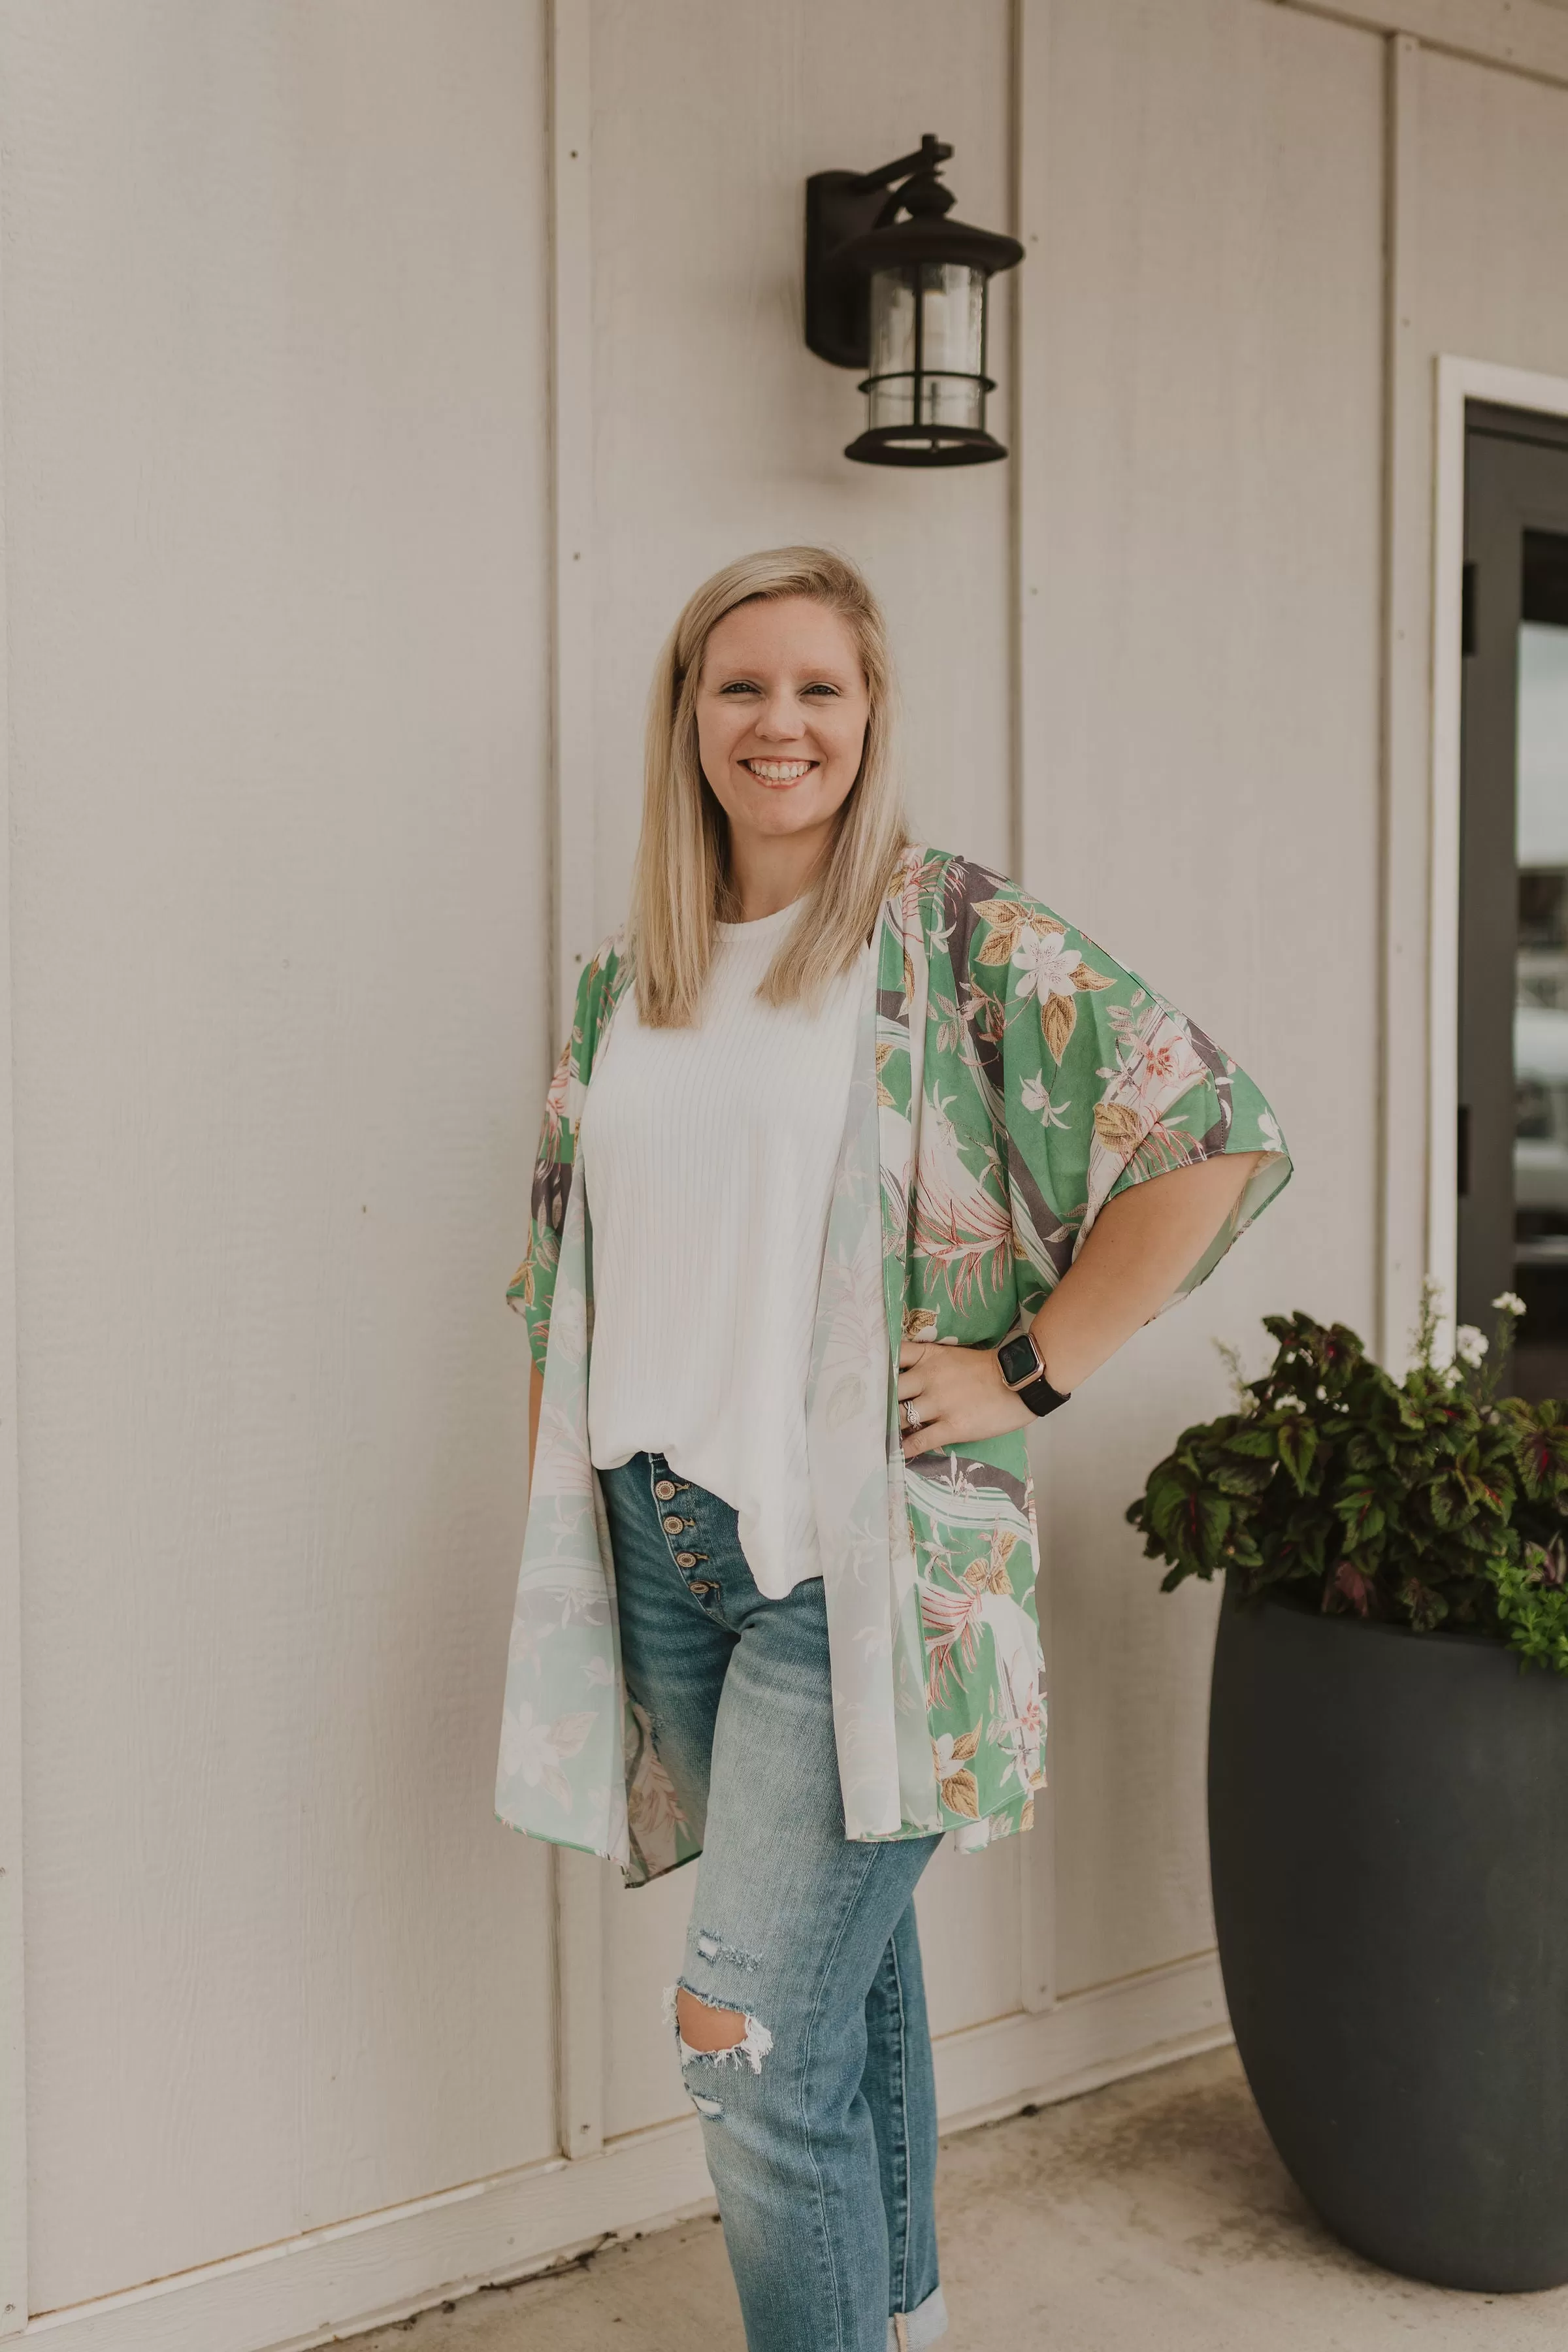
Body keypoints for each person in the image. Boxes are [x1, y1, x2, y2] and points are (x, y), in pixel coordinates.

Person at [496, 546, 1292, 2352]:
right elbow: (580, 1270)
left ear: (870, 717)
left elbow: (1210, 1130)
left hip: (851, 1564)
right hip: (666, 1540)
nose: (781, 724)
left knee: (746, 2040)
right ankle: (900, 2313)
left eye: (820, 690)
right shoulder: (631, 980)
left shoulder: (944, 935)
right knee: (841, 1999)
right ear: (687, 719)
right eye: (742, 688)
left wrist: (1034, 1363)